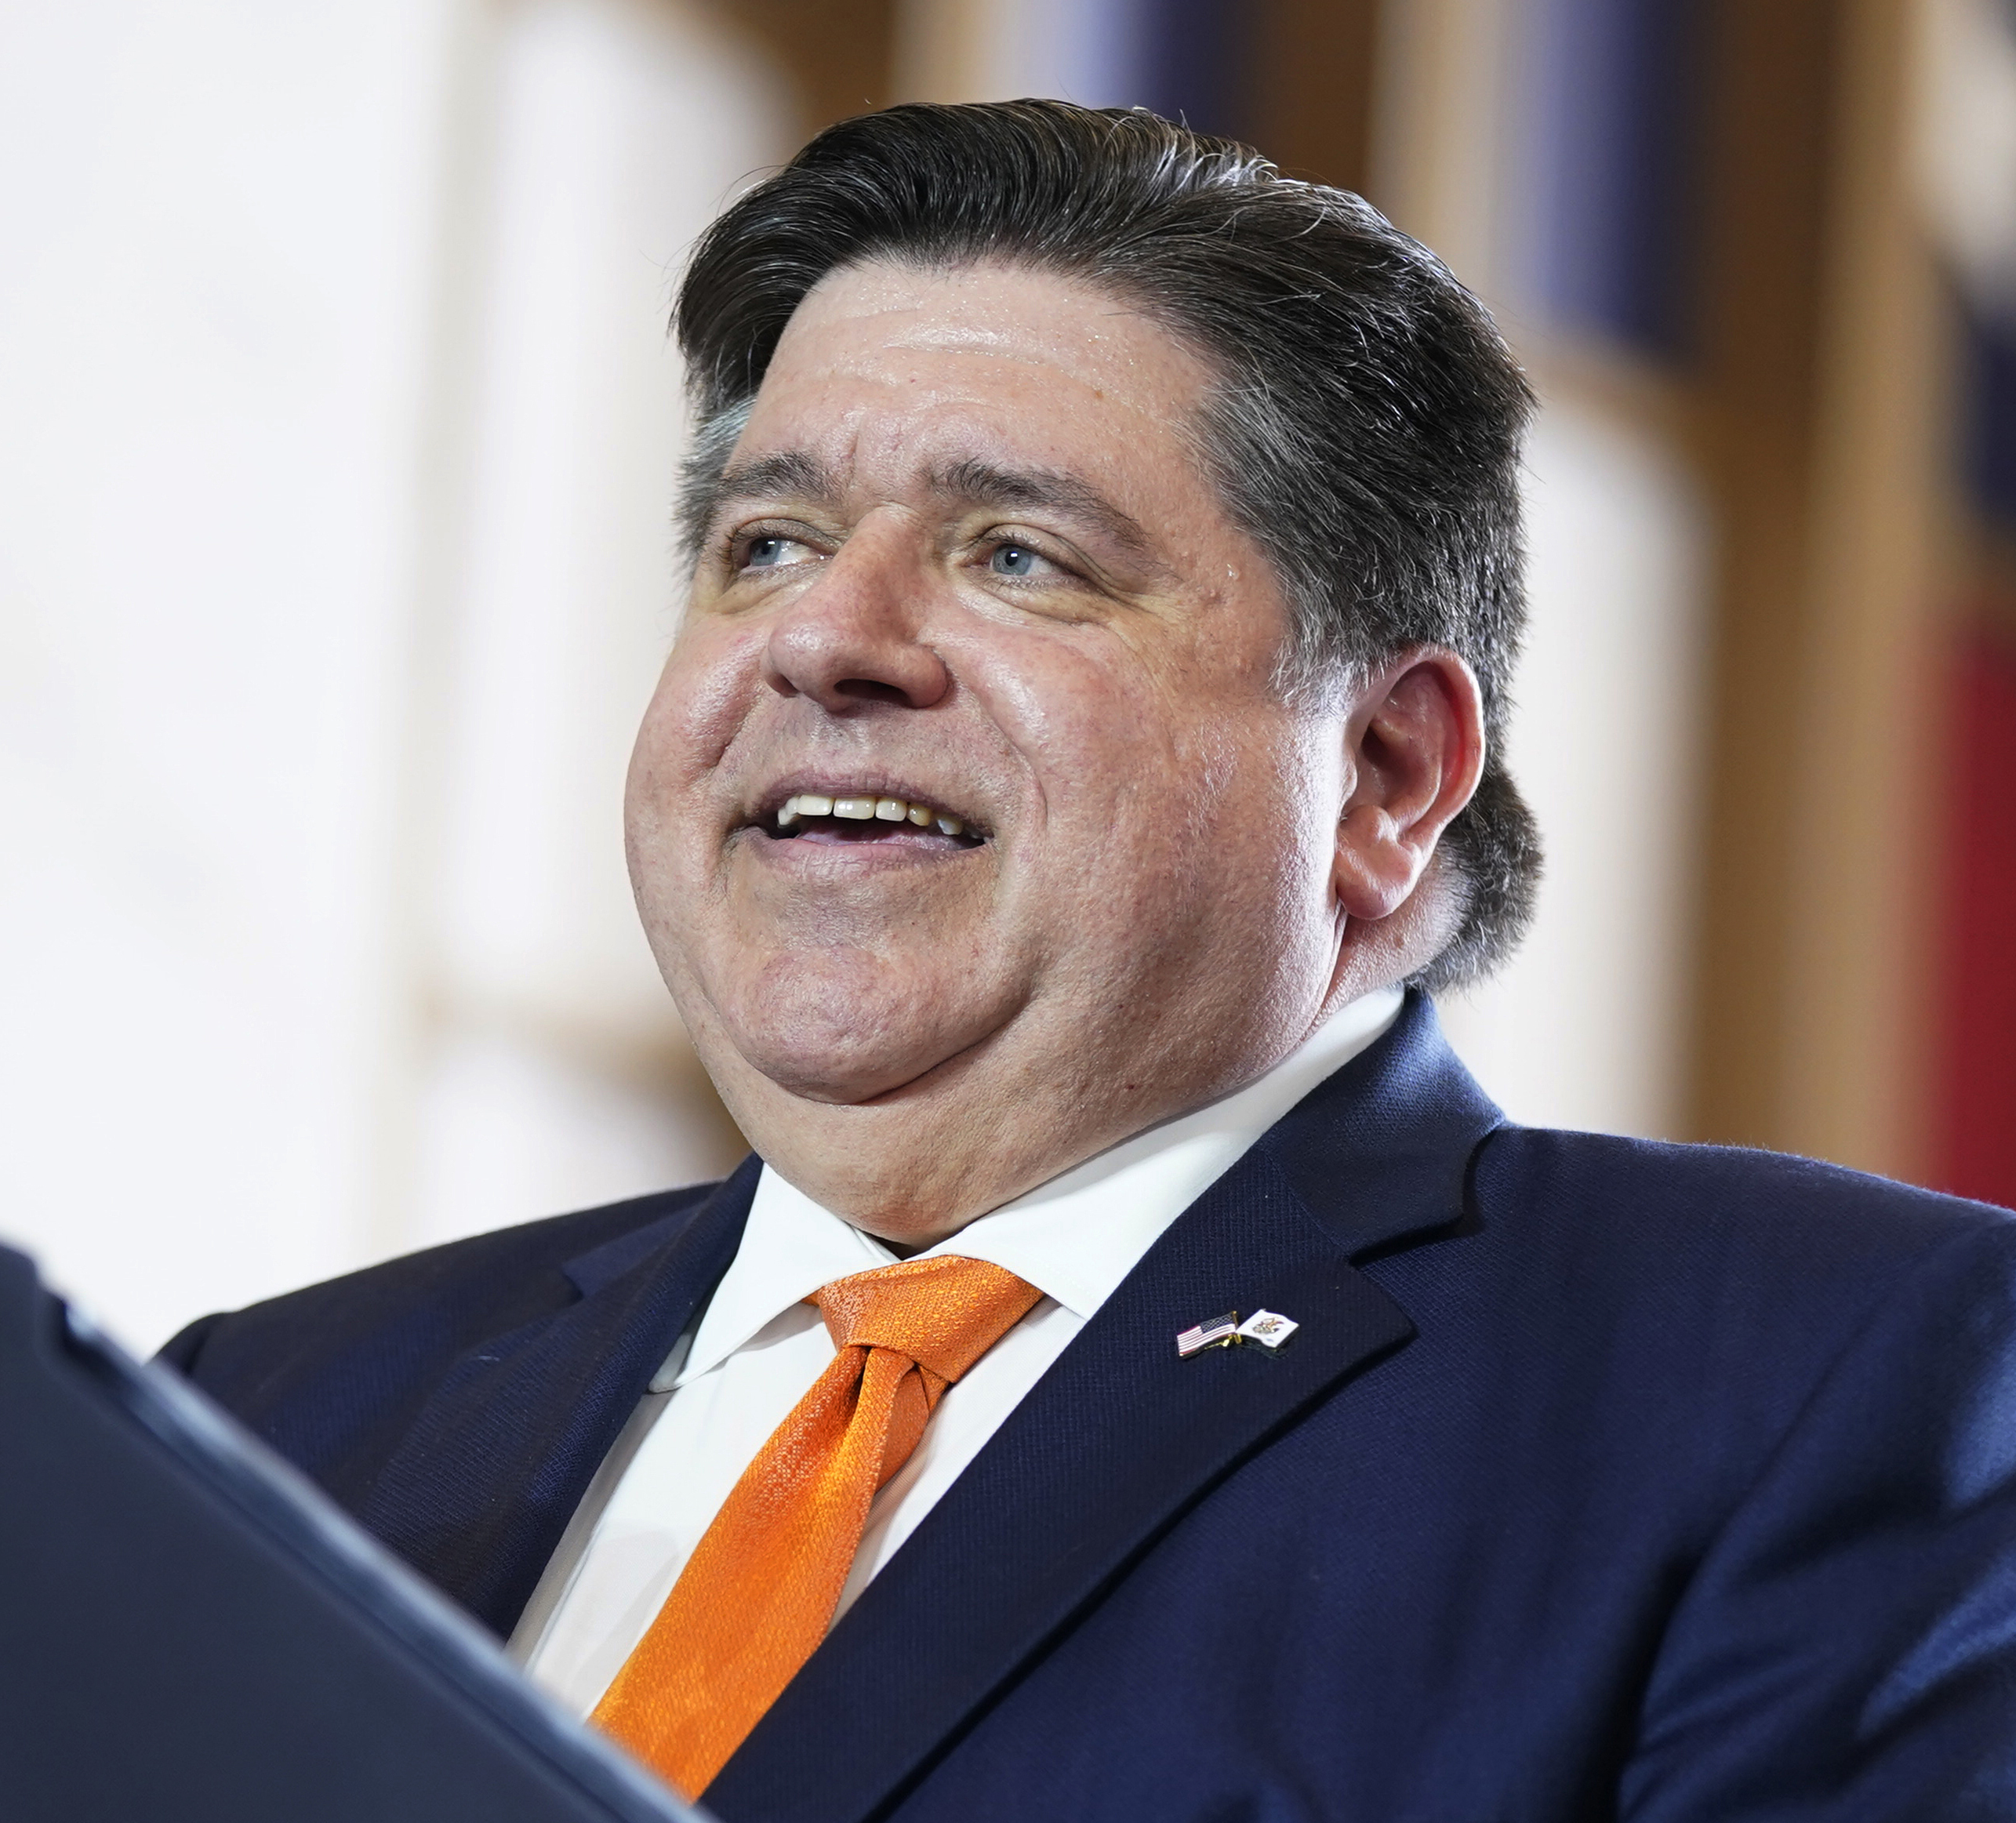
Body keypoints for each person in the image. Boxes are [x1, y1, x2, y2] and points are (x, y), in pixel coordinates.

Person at [160, 102, 2016, 1820]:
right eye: (767, 541)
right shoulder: (267, 1416)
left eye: (1019, 557)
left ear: (1382, 773)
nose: (826, 640)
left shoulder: (1819, 1378)